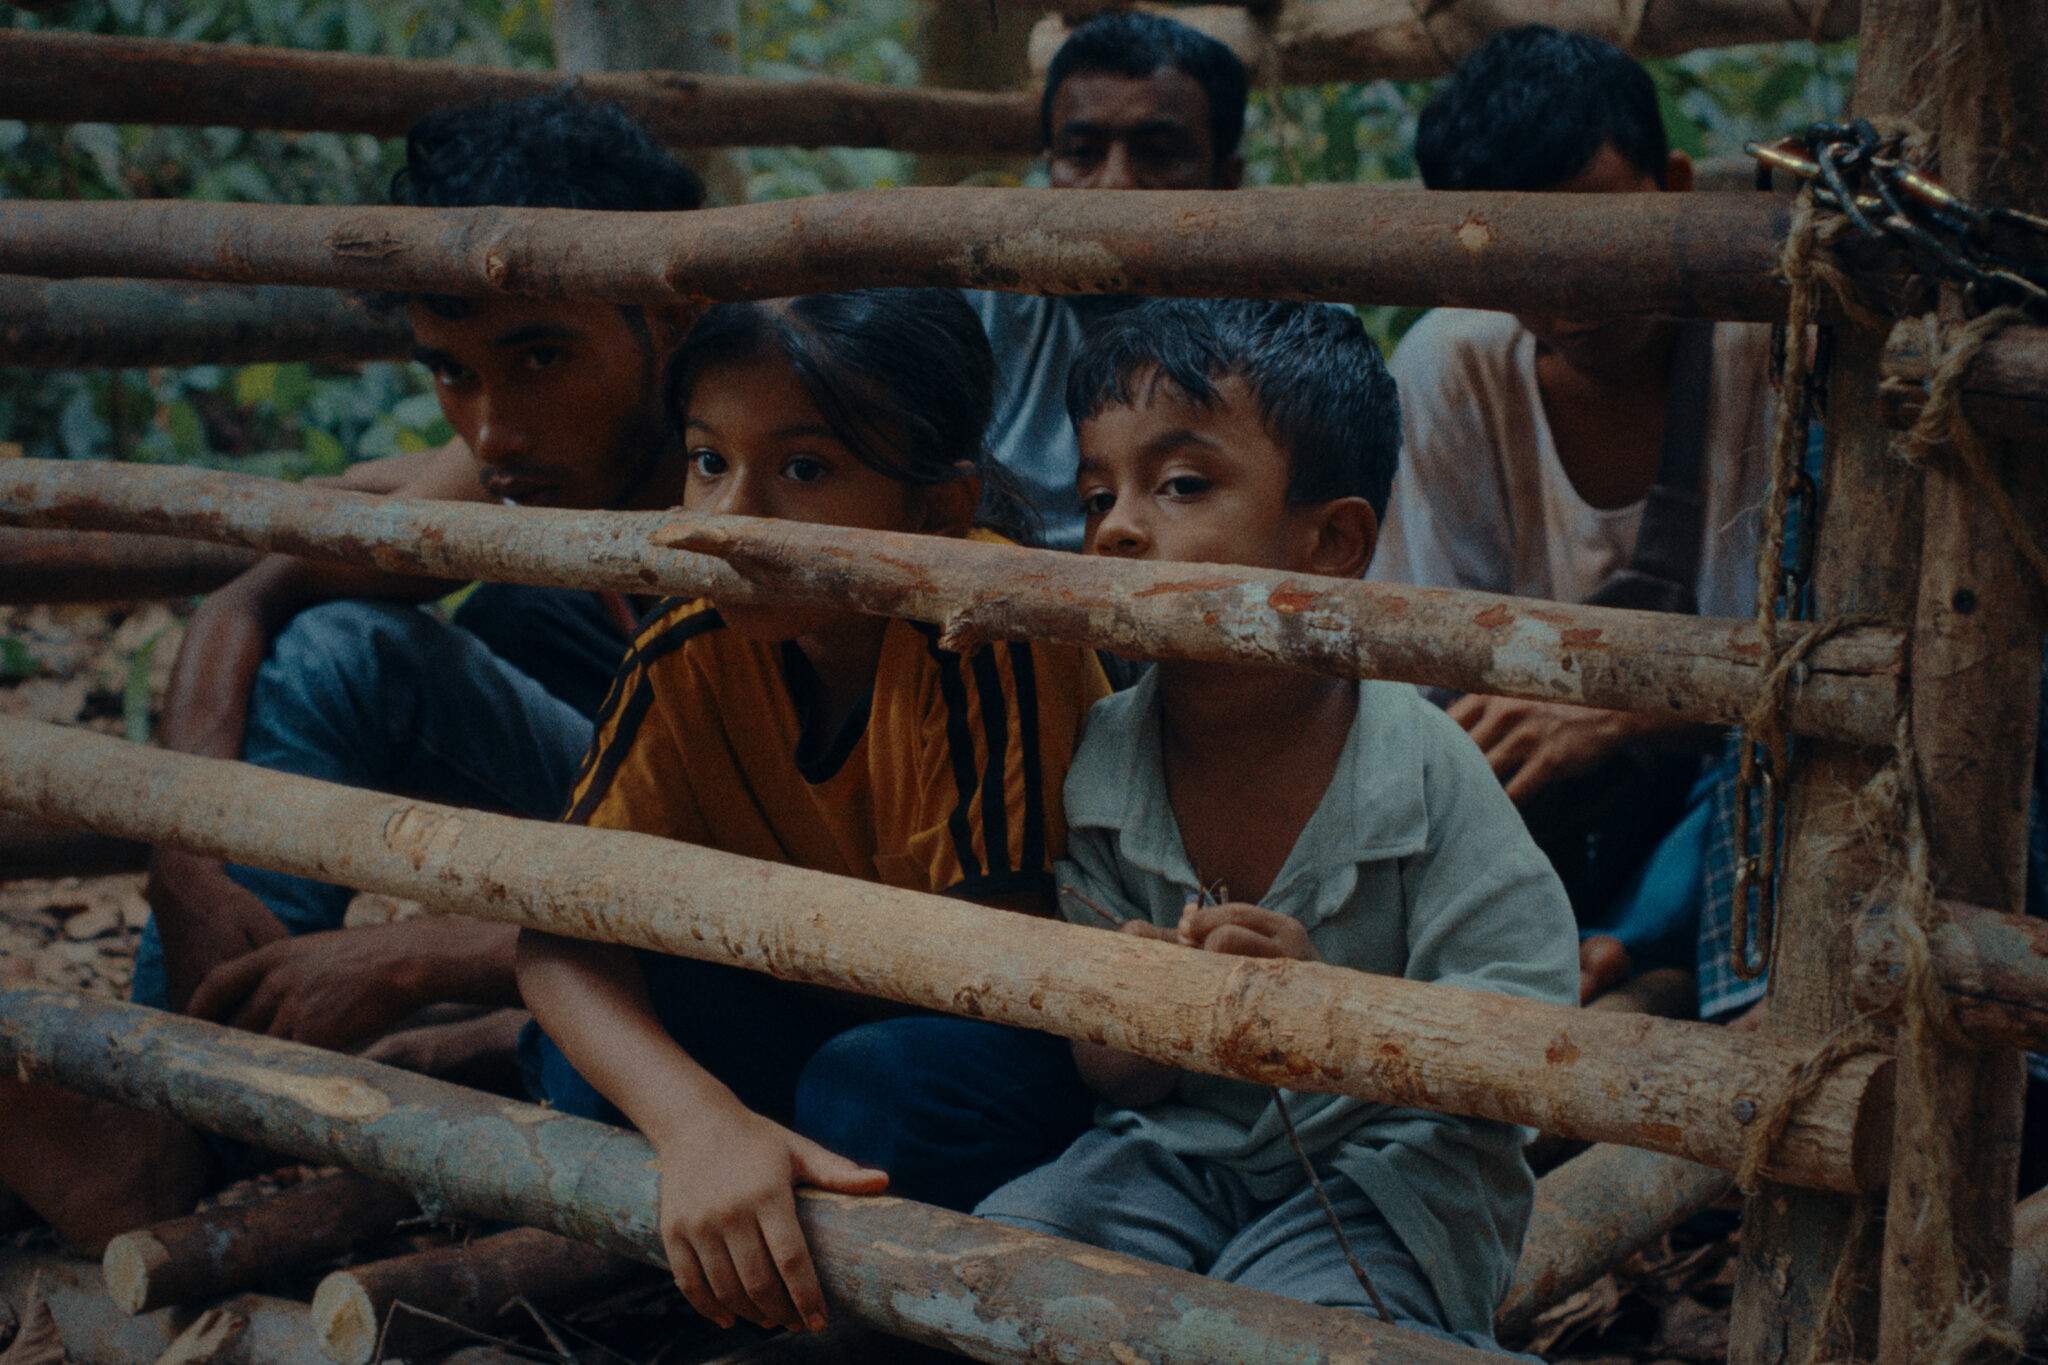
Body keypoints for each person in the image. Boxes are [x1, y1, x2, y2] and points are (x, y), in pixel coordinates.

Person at [0, 93, 705, 1250]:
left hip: (798, 894)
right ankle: (171, 1091)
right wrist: (185, 846)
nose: (492, 431)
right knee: (346, 651)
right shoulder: (529, 454)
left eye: (539, 358)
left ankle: (162, 1134)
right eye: (452, 373)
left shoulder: (779, 452)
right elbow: (250, 599)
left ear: (672, 314)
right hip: (649, 827)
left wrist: (415, 958)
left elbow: (817, 877)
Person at [972, 297, 1579, 1347]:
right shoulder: (1105, 756)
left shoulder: (1422, 763)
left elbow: (1525, 1028)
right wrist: (1129, 1016)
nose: (1115, 528)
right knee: (1011, 1261)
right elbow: (1113, 1074)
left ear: (1332, 541)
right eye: (1097, 495)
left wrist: (1331, 1018)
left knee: (1296, 1331)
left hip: (1393, 1171)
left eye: (1180, 485)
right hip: (1179, 1149)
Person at [517, 288, 1111, 1337]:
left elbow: (992, 976)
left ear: (939, 508)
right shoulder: (687, 646)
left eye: (804, 469)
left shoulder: (988, 631)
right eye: (708, 460)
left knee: (873, 1088)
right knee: (580, 1049)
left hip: (994, 1049)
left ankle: (825, 1318)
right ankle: (743, 1258)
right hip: (814, 1024)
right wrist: (700, 1123)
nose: (733, 520)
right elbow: (559, 941)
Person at [1367, 25, 1774, 1005]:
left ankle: (1642, 964)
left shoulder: (1767, 353)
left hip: (1721, 806)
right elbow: (1422, 669)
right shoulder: (1451, 364)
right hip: (1547, 818)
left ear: (1674, 188)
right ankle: (1571, 956)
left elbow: (1810, 666)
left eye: (1594, 240)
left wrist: (1620, 706)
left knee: (1773, 773)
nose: (1564, 300)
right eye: (1517, 260)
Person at [971, 9, 1248, 549]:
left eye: (1158, 154)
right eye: (1082, 154)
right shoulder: (977, 302)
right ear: (1049, 166)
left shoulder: (1286, 326)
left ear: (1225, 179)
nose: (1115, 184)